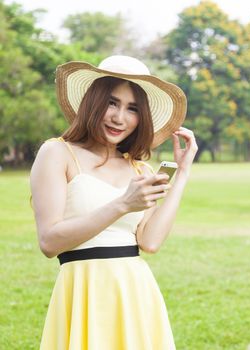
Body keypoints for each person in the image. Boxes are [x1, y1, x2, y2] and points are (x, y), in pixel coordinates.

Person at [30, 55, 198, 349]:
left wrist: (181, 174)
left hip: (134, 290)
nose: (119, 118)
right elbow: (49, 241)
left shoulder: (139, 169)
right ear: (93, 102)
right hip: (83, 288)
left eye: (132, 108)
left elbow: (151, 242)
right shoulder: (57, 153)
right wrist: (123, 204)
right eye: (111, 103)